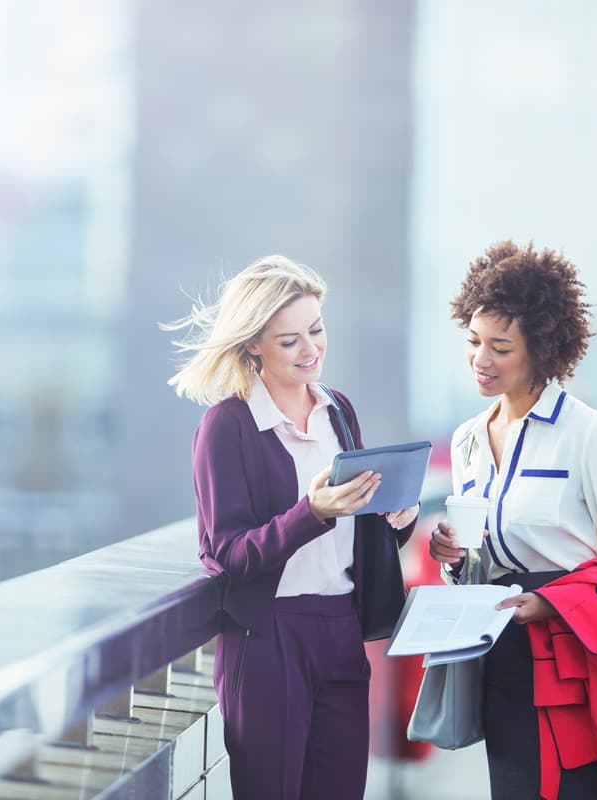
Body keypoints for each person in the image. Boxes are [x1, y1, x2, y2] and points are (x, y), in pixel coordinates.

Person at [164, 255, 419, 800]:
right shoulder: (226, 426)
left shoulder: (338, 411)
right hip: (267, 640)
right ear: (253, 344)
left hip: (341, 628)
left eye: (317, 330)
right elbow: (227, 555)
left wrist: (396, 518)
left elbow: (354, 532)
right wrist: (314, 512)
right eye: (289, 341)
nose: (311, 350)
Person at [428, 241, 597, 800]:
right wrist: (456, 561)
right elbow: (481, 555)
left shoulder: (584, 432)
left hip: (577, 652)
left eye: (500, 347)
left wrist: (554, 603)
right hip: (500, 649)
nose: (481, 359)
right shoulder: (466, 440)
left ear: (541, 349)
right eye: (474, 341)